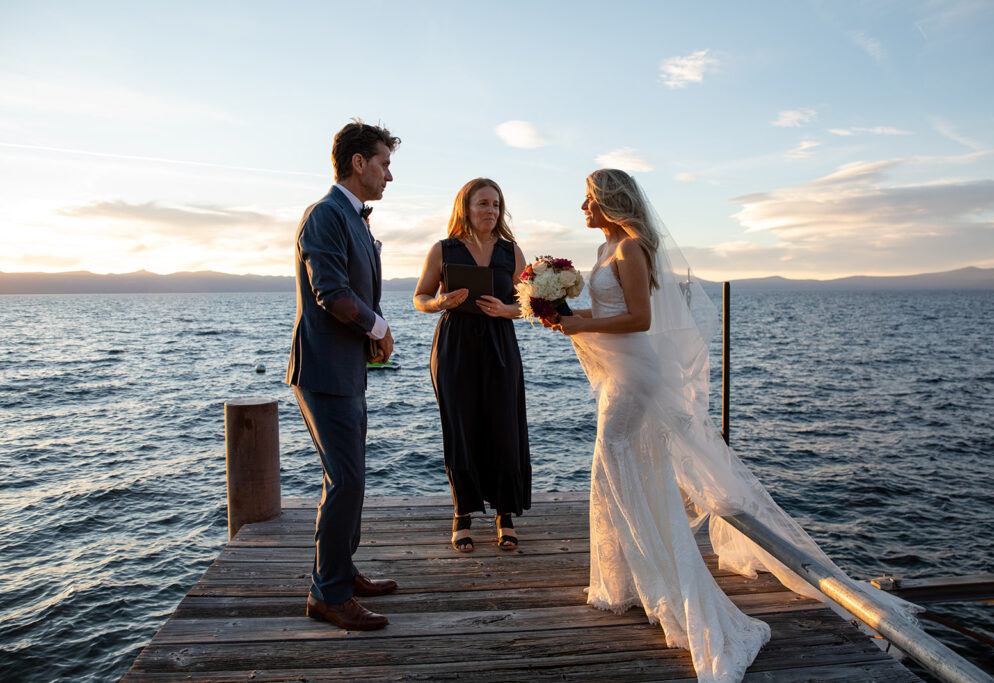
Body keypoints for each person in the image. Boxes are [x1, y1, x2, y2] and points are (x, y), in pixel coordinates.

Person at [549, 169, 919, 682]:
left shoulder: (632, 249)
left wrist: (581, 323)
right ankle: (631, 579)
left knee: (614, 463)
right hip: (621, 373)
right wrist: (554, 312)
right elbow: (609, 308)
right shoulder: (605, 249)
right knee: (622, 467)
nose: (581, 205)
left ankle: (660, 584)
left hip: (636, 376)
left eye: (588, 197)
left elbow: (638, 319)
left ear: (610, 200)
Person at [286, 121, 400, 631]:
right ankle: (328, 595)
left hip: (348, 368)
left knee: (350, 479)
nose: (388, 175)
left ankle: (340, 571)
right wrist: (380, 327)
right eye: (384, 163)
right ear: (359, 163)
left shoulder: (356, 219)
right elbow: (330, 293)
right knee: (346, 479)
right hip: (324, 371)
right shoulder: (325, 215)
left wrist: (369, 338)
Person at [413, 178, 531, 552]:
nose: (491, 211)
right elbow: (420, 297)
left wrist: (507, 310)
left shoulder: (511, 252)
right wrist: (440, 303)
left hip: (499, 345)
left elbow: (531, 304)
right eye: (483, 204)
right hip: (455, 346)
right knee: (461, 428)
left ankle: (505, 513)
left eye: (496, 205)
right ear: (465, 207)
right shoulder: (443, 249)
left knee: (504, 427)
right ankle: (462, 514)